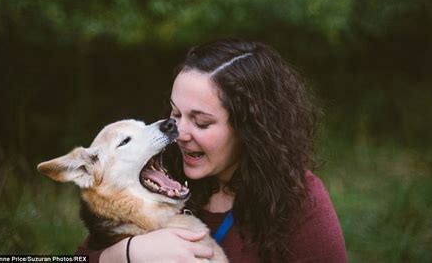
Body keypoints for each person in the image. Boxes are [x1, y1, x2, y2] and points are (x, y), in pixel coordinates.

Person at [76, 38, 347, 262]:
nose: (179, 133)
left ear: (249, 128)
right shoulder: (156, 178)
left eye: (201, 122)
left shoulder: (298, 200)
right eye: (175, 113)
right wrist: (125, 254)